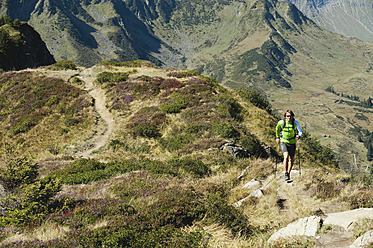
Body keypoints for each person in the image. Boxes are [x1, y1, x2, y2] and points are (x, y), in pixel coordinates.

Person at [275, 110, 303, 181]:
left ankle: (288, 173)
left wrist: (299, 135)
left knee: (291, 159)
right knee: (286, 156)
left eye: (290, 116)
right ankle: (286, 173)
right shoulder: (281, 123)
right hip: (284, 141)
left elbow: (300, 131)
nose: (289, 117)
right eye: (287, 116)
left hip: (292, 142)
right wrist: (277, 137)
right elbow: (277, 129)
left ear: (292, 116)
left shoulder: (295, 123)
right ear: (285, 116)